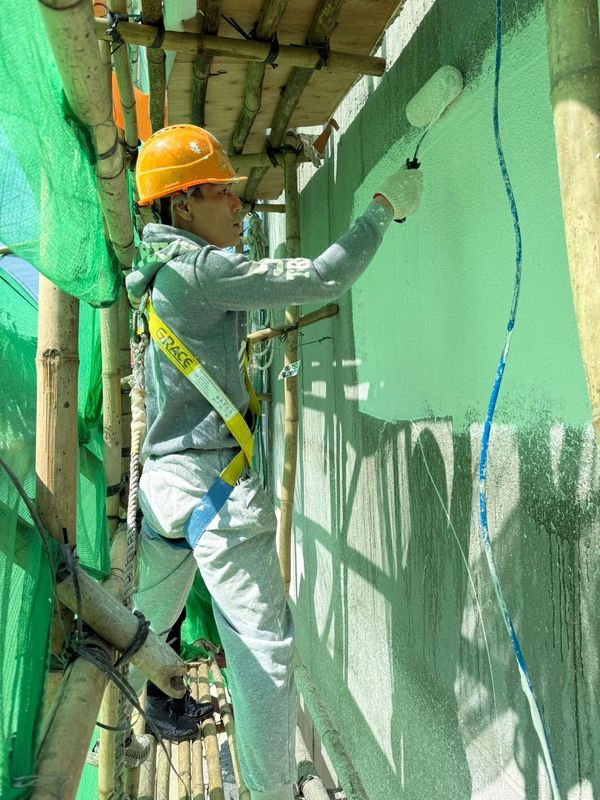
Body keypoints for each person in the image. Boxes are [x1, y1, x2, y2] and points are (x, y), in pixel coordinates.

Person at [125, 124, 423, 800]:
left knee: (145, 626)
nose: (239, 205)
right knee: (264, 658)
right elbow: (324, 275)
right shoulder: (202, 270)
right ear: (180, 206)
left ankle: (152, 709)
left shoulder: (159, 271)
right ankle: (269, 793)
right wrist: (380, 209)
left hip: (165, 490)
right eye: (221, 194)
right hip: (215, 492)